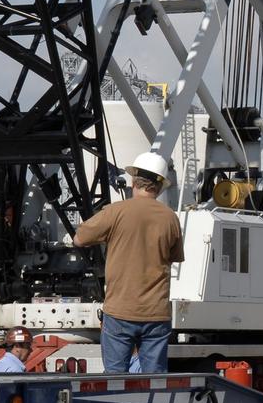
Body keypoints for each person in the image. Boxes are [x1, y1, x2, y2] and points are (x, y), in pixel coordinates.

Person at [75, 152, 184, 374]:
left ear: (133, 182)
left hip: (120, 311)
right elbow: (174, 256)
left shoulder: (116, 211)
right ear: (160, 186)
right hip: (156, 312)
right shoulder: (170, 217)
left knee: (114, 378)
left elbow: (80, 239)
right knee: (155, 379)